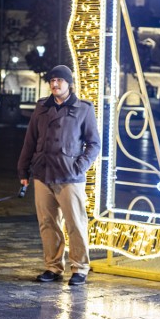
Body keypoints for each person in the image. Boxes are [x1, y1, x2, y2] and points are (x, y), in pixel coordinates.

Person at [17, 64, 100, 286]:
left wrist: (79, 166)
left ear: (68, 83)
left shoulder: (84, 109)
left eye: (59, 80)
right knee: (47, 223)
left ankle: (80, 268)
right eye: (52, 80)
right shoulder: (42, 107)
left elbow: (94, 144)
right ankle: (53, 267)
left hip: (69, 175)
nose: (54, 84)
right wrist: (23, 169)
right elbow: (30, 141)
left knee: (75, 223)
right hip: (43, 172)